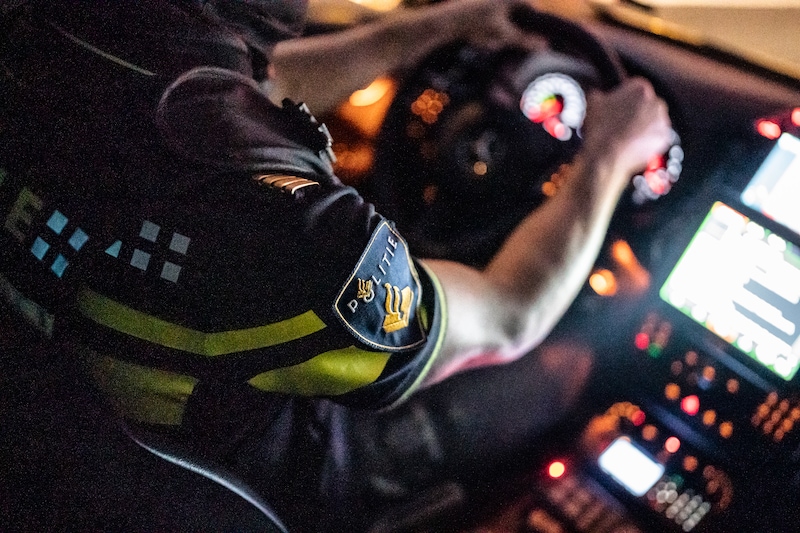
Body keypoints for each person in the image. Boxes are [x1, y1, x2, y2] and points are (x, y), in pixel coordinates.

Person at [0, 0, 672, 530]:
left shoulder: (48, 40)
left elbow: (248, 92)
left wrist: (432, 29)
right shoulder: (301, 241)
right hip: (262, 476)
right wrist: (607, 158)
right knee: (564, 367)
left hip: (57, 440)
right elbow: (510, 313)